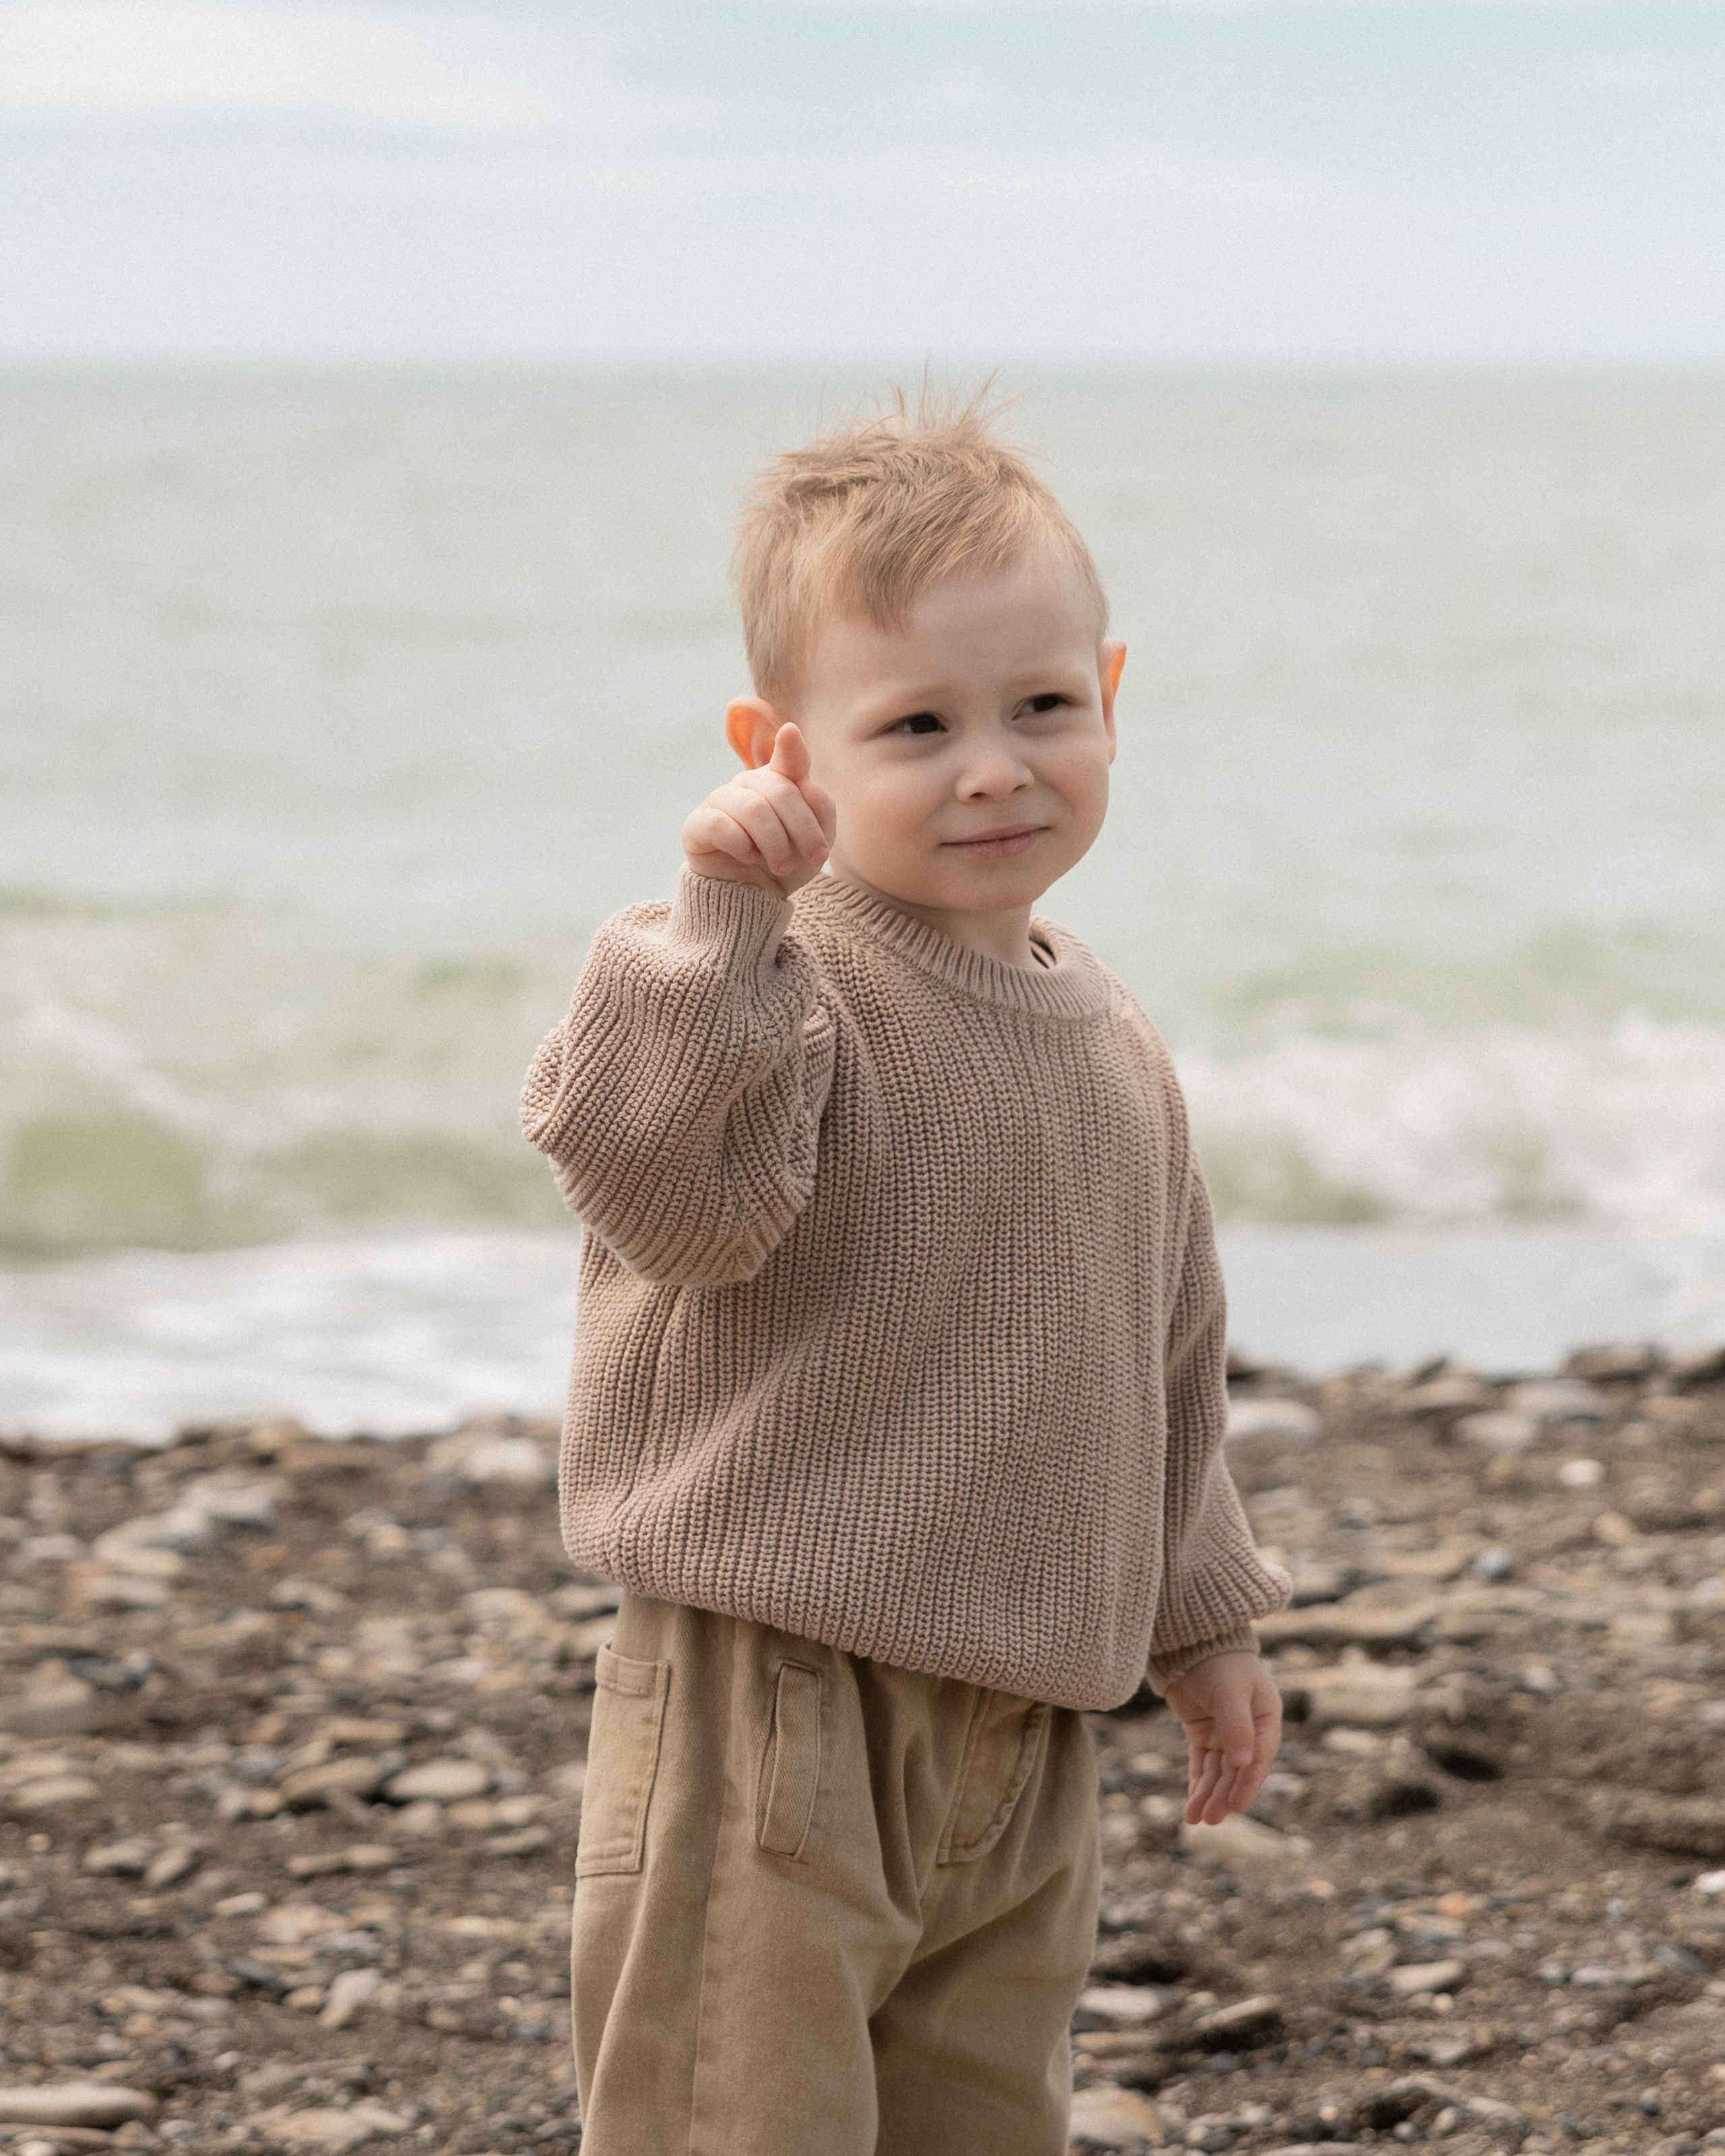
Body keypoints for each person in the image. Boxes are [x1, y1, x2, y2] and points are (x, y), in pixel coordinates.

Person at [522, 393, 1291, 2156]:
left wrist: (1204, 1612)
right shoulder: (786, 988)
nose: (996, 765)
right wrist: (715, 922)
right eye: (918, 723)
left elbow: (1157, 1357)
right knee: (736, 2112)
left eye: (1041, 707)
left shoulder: (1105, 1030)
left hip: (1025, 1709)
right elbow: (659, 1190)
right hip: (775, 1703)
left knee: (981, 2119)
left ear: (1111, 690)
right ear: (783, 749)